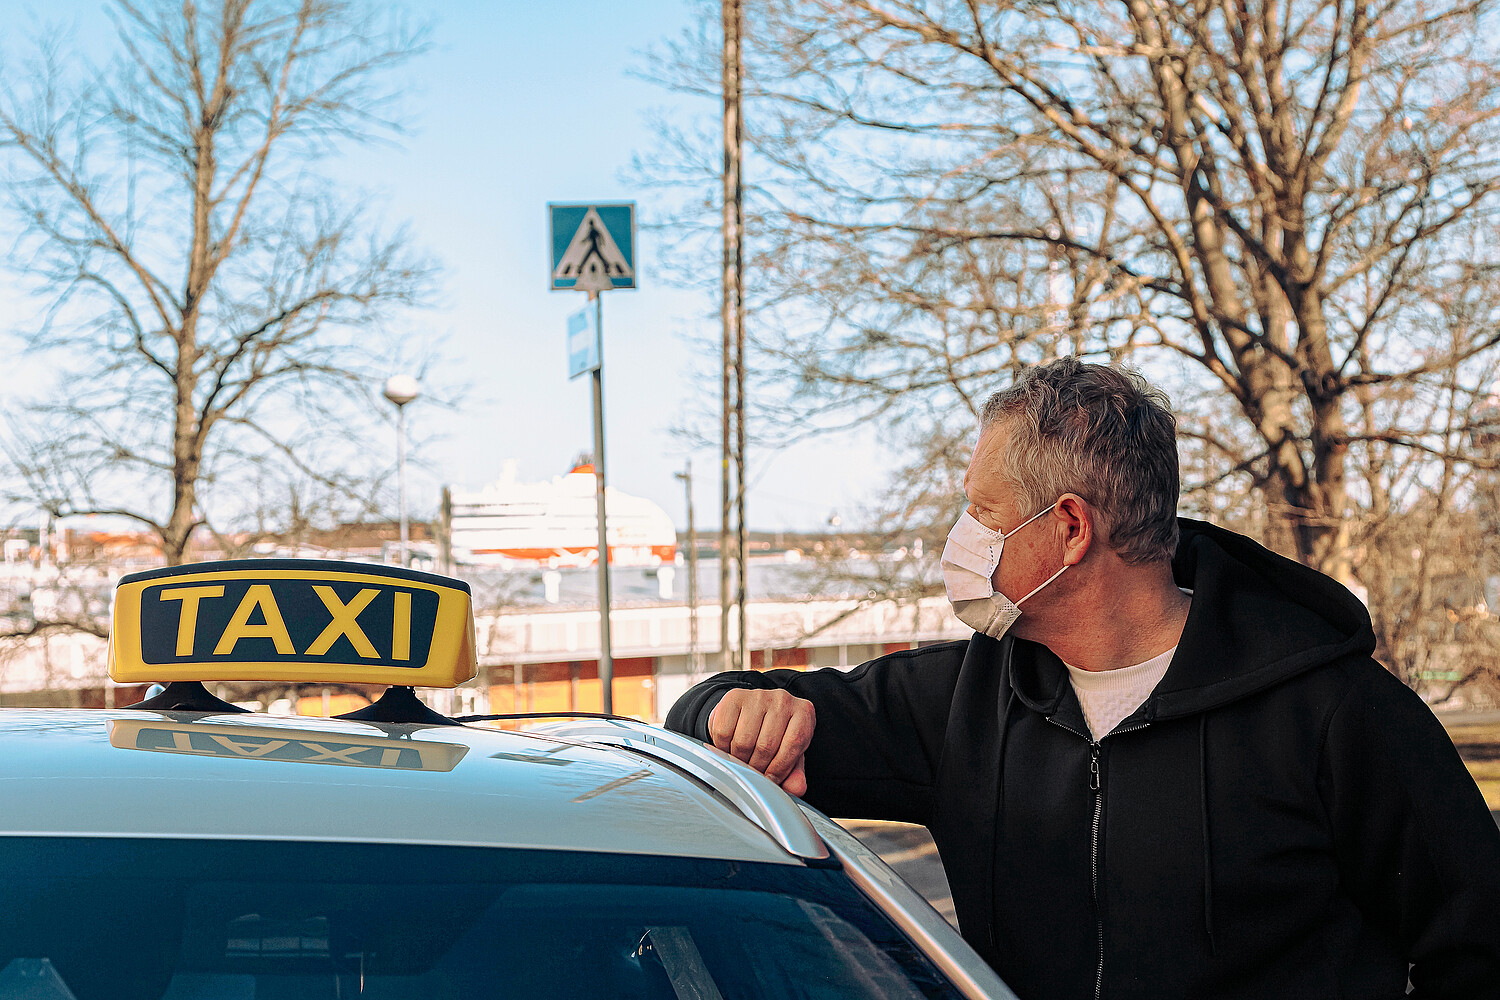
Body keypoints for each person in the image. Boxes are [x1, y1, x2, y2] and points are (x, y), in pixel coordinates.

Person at [665, 359, 1500, 999]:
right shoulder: (962, 705)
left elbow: (1478, 944)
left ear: (1068, 528)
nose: (961, 539)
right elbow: (709, 722)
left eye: (983, 513)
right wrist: (727, 708)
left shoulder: (1336, 713)